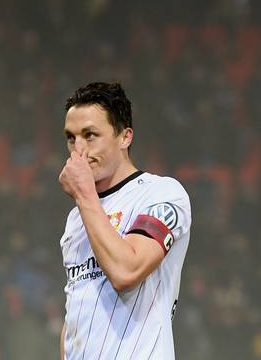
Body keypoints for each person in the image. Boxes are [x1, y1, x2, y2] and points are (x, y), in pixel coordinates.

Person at [57, 82, 191, 359]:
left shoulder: (162, 193)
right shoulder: (77, 217)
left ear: (125, 137)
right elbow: (77, 311)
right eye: (71, 138)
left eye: (90, 135)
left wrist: (84, 195)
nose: (78, 151)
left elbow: (126, 272)